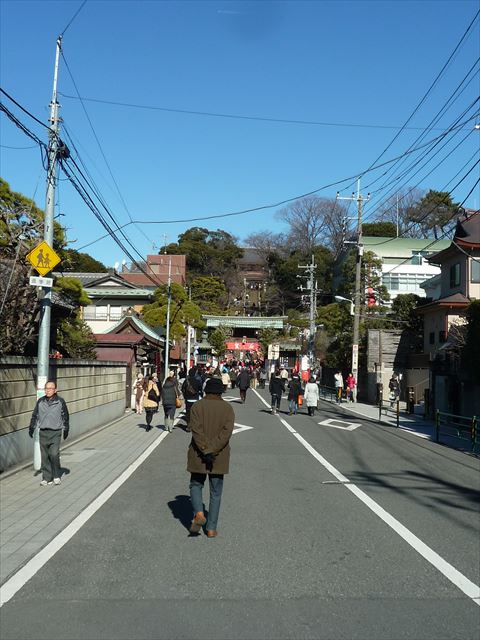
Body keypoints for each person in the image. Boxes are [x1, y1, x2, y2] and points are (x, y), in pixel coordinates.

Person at [187, 377, 235, 538]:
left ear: (206, 390)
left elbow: (196, 430)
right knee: (216, 492)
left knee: (195, 484)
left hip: (198, 454)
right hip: (218, 456)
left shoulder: (197, 406)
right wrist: (212, 450)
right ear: (221, 392)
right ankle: (211, 528)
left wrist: (205, 449)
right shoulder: (227, 408)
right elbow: (226, 434)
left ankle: (199, 513)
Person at [28, 381, 69, 486]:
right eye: (46, 388)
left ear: (55, 390)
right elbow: (35, 415)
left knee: (54, 454)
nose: (48, 390)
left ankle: (56, 476)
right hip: (43, 432)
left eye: (50, 388)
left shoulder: (60, 401)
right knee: (45, 456)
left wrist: (66, 429)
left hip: (55, 432)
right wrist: (31, 427)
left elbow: (65, 416)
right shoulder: (40, 401)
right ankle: (46, 477)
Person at [182, 367, 203, 432]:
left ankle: (189, 426)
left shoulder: (186, 381)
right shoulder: (197, 381)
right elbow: (200, 389)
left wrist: (185, 396)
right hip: (195, 399)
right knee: (195, 413)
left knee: (188, 413)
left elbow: (183, 389)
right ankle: (194, 426)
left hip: (188, 399)